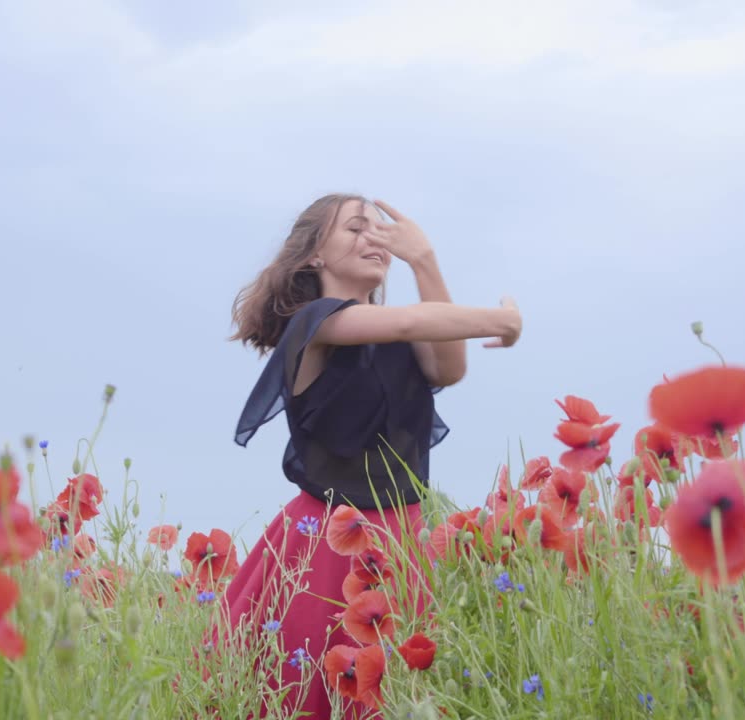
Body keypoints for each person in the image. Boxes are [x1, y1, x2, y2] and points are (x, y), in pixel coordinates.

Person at [221, 193, 522, 718]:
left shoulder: (394, 329)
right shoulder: (317, 321)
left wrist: (423, 261)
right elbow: (409, 323)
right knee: (308, 694)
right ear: (314, 254)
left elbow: (449, 368)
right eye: (356, 229)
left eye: (381, 232)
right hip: (325, 543)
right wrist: (504, 320)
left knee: (395, 699)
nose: (374, 240)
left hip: (400, 539)